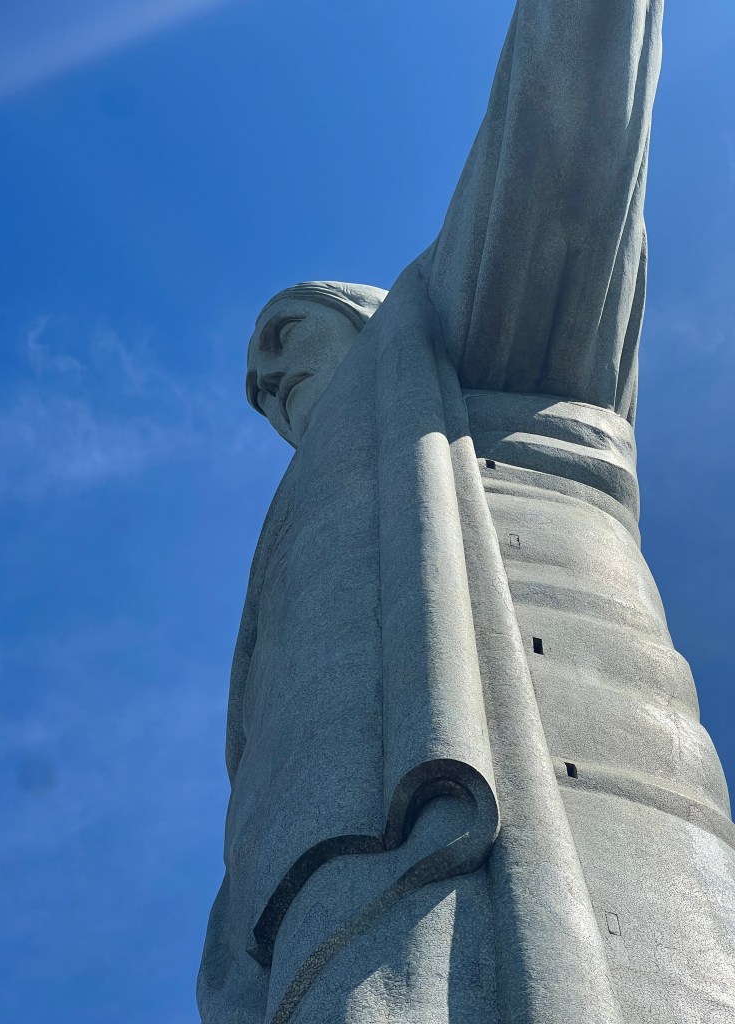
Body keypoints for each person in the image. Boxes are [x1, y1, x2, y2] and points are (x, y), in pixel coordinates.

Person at [199, 2, 735, 1022]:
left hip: (577, 775)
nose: (265, 378)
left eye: (285, 330)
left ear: (368, 321)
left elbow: (565, 139)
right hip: (322, 894)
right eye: (258, 385)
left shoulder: (472, 337)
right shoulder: (300, 541)